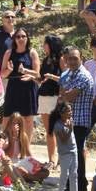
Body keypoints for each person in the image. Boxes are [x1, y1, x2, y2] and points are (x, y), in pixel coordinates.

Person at [58, 46, 95, 191]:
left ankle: (80, 186)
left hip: (80, 121)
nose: (72, 61)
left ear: (81, 59)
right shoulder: (66, 74)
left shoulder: (84, 76)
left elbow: (68, 96)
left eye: (75, 58)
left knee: (77, 154)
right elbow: (62, 95)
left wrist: (65, 95)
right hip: (67, 120)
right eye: (69, 58)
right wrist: (64, 95)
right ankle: (72, 185)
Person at [1, 27, 40, 142]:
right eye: (18, 37)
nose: (21, 39)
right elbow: (2, 74)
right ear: (14, 39)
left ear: (27, 38)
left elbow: (37, 73)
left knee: (28, 119)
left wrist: (26, 72)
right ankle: (4, 144)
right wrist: (9, 70)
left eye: (23, 36)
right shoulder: (9, 53)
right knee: (7, 117)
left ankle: (26, 146)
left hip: (28, 87)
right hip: (13, 87)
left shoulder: (32, 52)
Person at [38, 35, 63, 165]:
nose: (43, 46)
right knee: (49, 130)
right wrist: (28, 73)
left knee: (59, 129)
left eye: (45, 43)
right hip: (43, 96)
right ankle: (51, 159)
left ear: (51, 45)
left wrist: (52, 77)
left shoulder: (61, 59)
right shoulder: (45, 60)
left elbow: (65, 79)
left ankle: (61, 158)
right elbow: (41, 78)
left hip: (55, 97)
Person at [50, 102, 78, 191]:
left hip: (73, 151)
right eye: (68, 111)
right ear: (61, 113)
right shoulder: (57, 125)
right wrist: (70, 129)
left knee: (74, 174)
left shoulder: (69, 121)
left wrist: (70, 127)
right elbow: (63, 139)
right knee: (64, 176)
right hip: (65, 153)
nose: (71, 112)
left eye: (71, 110)